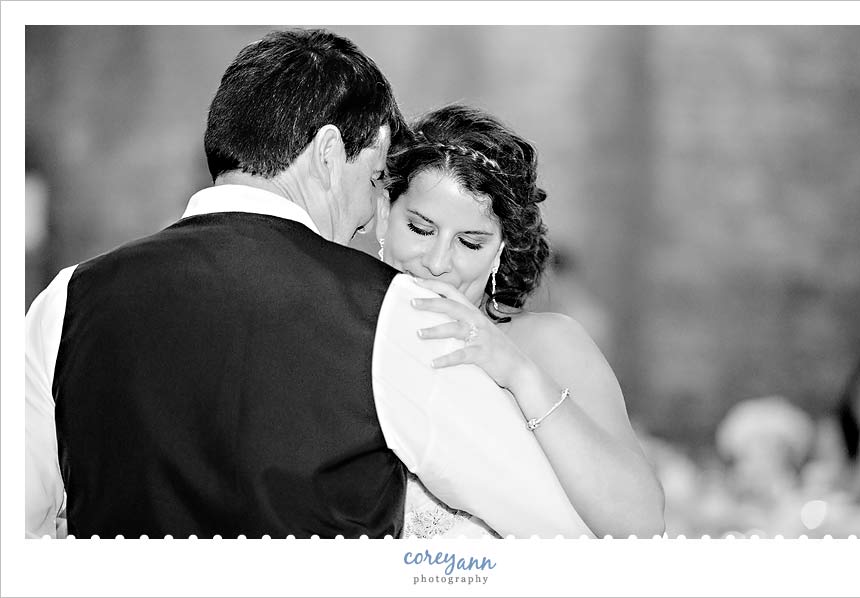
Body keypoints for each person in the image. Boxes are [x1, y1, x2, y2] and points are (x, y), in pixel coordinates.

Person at [25, 30, 595, 539]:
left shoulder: (65, 298)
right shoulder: (392, 314)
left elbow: (19, 521)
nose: (370, 218)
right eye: (373, 175)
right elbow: (562, 536)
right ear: (327, 154)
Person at [374, 104, 665, 538]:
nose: (437, 262)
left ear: (500, 250)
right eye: (420, 229)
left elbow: (641, 526)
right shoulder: (343, 323)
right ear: (383, 212)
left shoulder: (549, 343)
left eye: (470, 242)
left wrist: (517, 372)